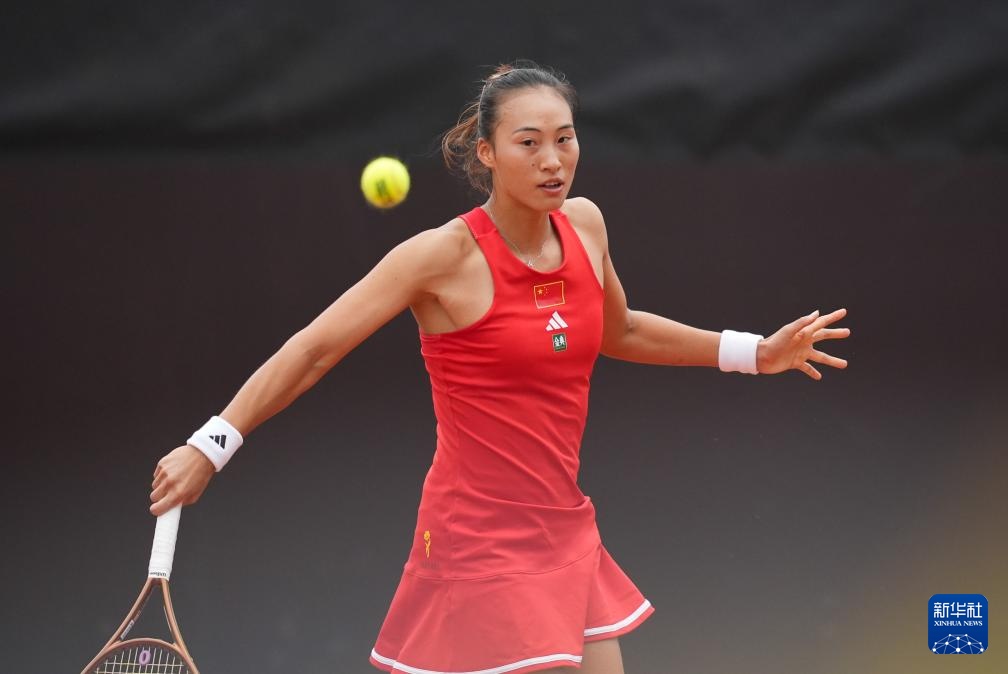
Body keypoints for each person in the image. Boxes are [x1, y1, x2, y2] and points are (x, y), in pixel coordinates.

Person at [149, 62, 850, 674]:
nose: (553, 161)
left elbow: (622, 330)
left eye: (565, 139)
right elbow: (313, 350)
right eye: (529, 142)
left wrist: (754, 353)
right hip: (476, 540)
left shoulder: (586, 226)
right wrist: (211, 445)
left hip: (565, 527)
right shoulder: (440, 258)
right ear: (486, 153)